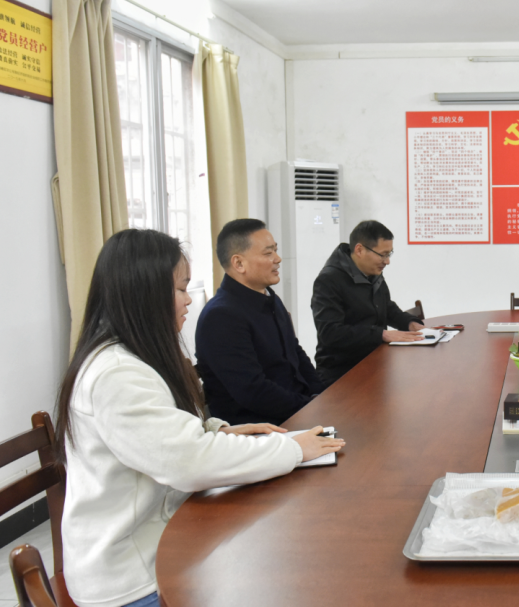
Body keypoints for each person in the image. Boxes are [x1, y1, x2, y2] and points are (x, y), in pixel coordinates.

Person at [55, 229, 344, 607]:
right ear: (144, 294)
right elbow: (187, 462)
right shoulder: (116, 374)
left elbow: (160, 429)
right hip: (132, 575)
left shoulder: (133, 355)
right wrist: (291, 449)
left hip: (161, 537)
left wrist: (218, 430)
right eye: (180, 289)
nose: (188, 300)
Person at [196, 219, 326, 425]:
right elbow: (253, 392)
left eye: (275, 250)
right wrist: (309, 406)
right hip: (259, 427)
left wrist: (322, 395)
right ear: (239, 263)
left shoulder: (269, 298)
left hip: (295, 410)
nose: (278, 259)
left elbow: (295, 352)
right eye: (268, 253)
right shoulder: (221, 316)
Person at [311, 220, 425, 384]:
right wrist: (381, 334)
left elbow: (387, 307)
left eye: (389, 254)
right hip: (342, 372)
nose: (387, 261)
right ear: (359, 250)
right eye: (383, 254)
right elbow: (330, 333)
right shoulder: (328, 280)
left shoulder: (372, 272)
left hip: (376, 361)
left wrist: (410, 323)